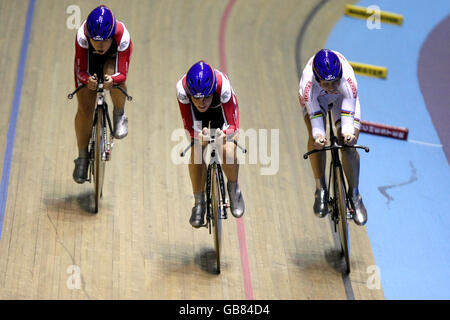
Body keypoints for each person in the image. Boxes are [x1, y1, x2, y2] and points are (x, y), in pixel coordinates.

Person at [298, 49, 367, 225]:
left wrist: (348, 134)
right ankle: (320, 188)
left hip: (343, 100)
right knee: (317, 142)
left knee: (348, 144)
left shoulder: (348, 79)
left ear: (340, 76)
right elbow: (316, 123)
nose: (331, 87)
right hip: (316, 100)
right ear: (316, 78)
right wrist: (319, 137)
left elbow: (348, 118)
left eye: (335, 82)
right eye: (326, 84)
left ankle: (355, 194)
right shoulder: (308, 84)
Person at [176, 60, 245, 228]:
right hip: (198, 121)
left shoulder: (223, 86)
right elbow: (188, 127)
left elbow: (233, 125)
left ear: (213, 90)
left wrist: (224, 134)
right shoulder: (182, 90)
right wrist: (198, 137)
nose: (201, 102)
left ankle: (234, 187)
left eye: (207, 97)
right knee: (197, 151)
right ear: (190, 93)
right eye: (197, 98)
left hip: (222, 116)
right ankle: (199, 203)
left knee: (227, 150)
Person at [72, 5, 133, 183]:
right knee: (84, 107)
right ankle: (82, 157)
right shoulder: (82, 36)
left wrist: (112, 80)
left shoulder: (123, 36)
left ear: (112, 35)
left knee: (113, 78)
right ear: (89, 36)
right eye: (96, 40)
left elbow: (122, 73)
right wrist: (86, 80)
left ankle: (119, 113)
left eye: (105, 40)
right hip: (89, 61)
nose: (100, 45)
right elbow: (80, 70)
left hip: (112, 59)